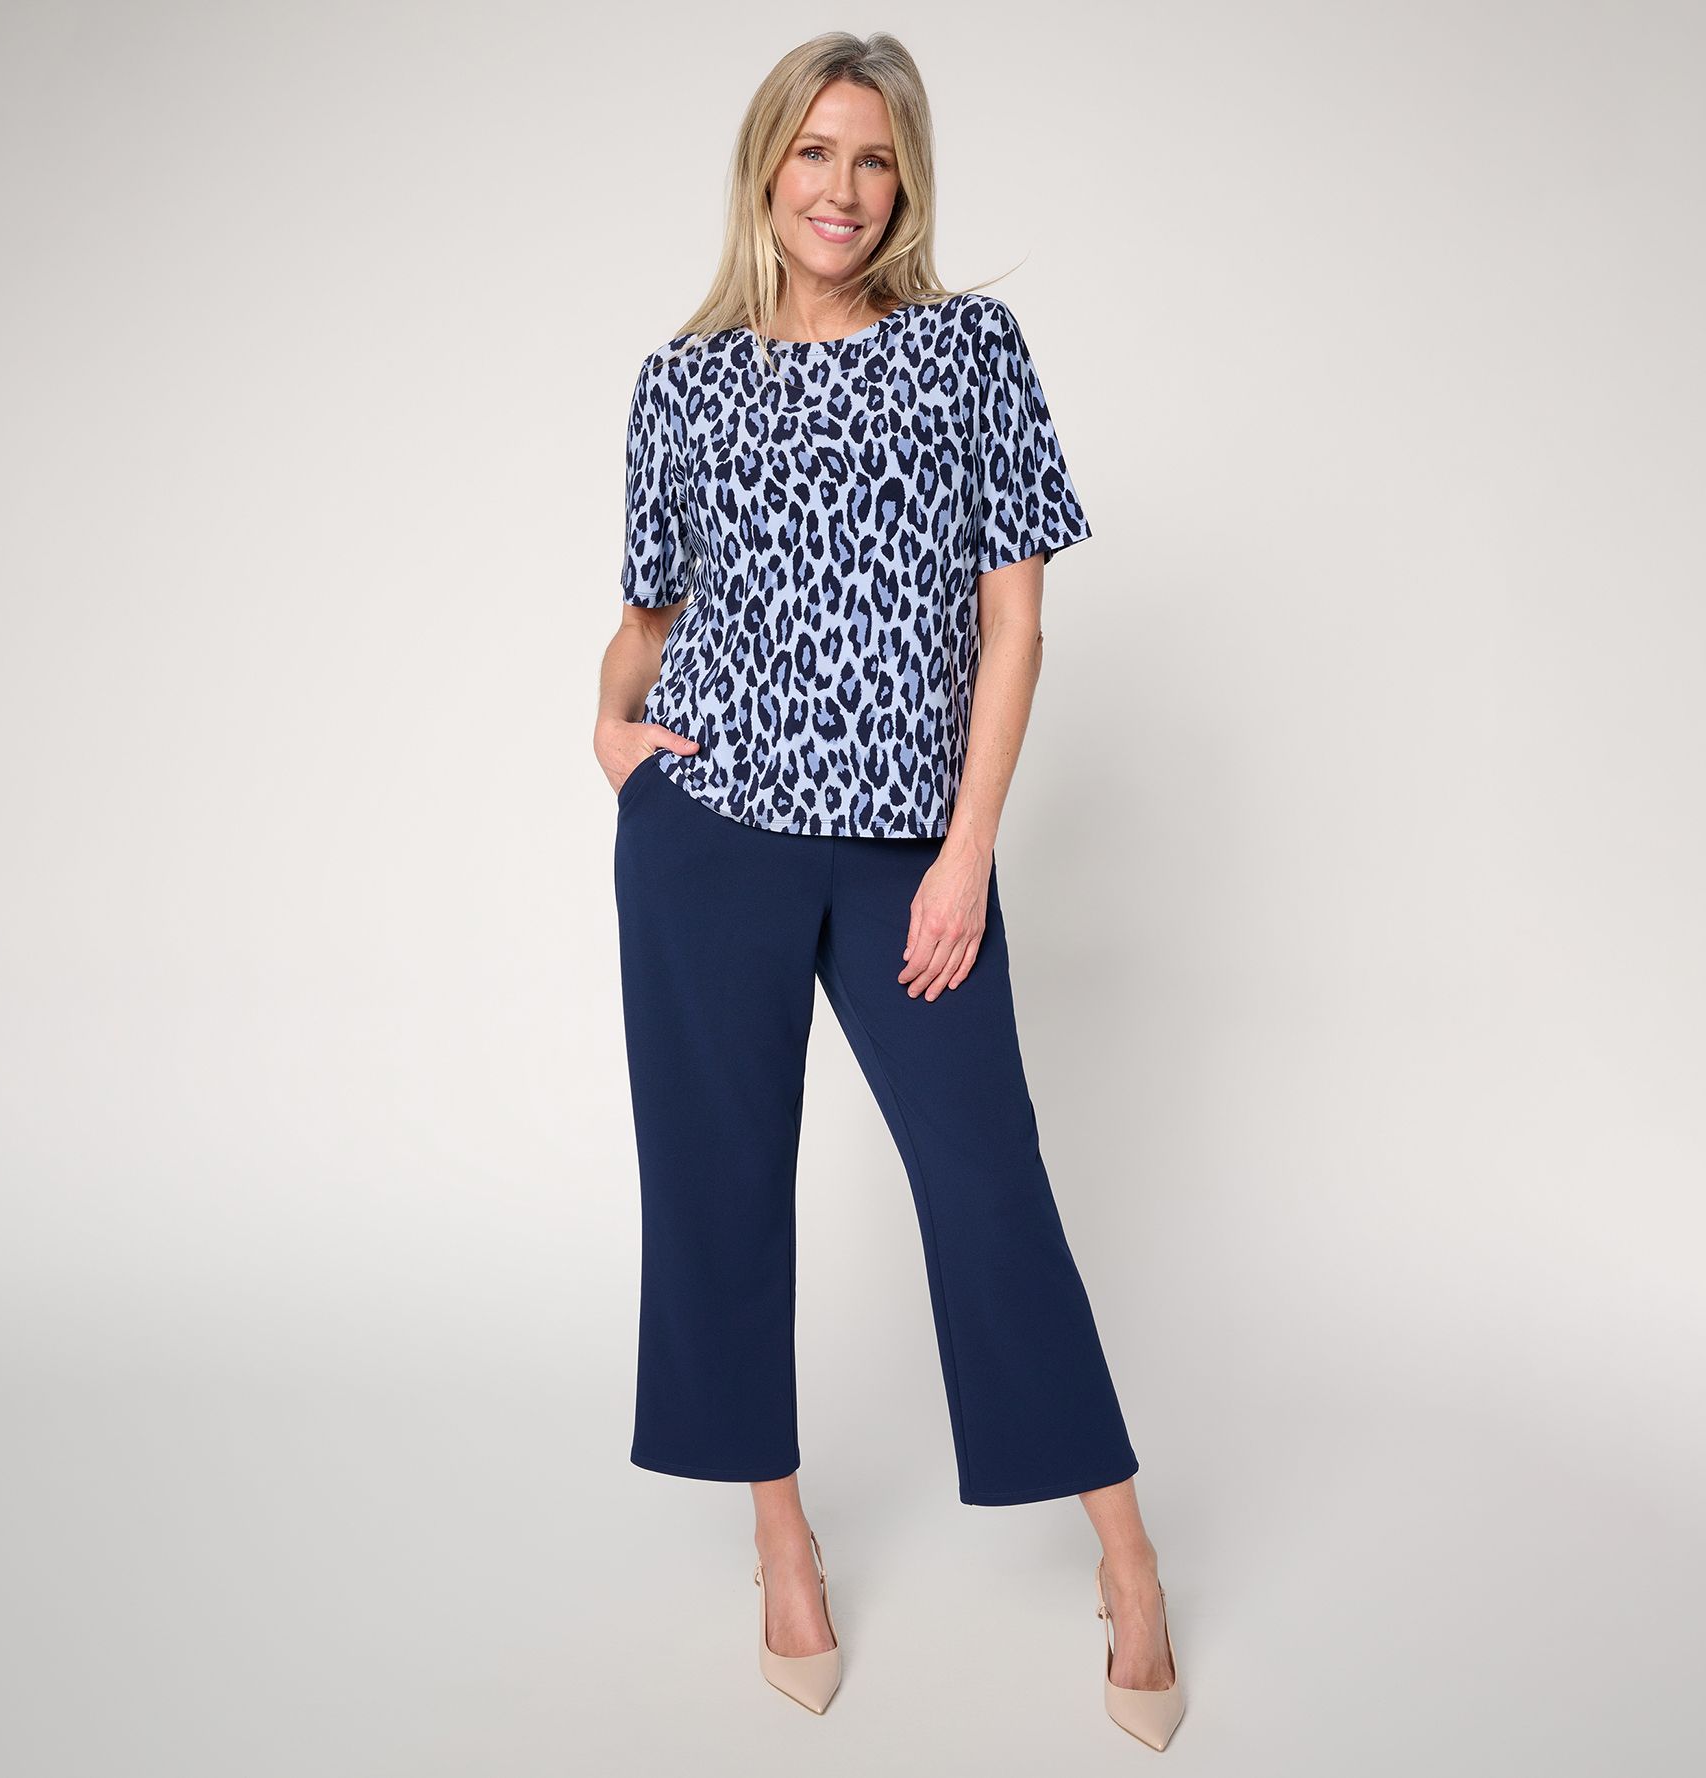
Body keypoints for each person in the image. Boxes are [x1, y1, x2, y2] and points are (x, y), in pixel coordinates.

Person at [592, 30, 1184, 1751]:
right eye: (815, 152)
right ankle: (781, 1541)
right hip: (706, 841)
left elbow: (1016, 619)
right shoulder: (683, 379)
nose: (841, 189)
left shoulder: (966, 353)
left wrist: (968, 845)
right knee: (717, 1191)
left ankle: (1128, 1556)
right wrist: (612, 732)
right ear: (766, 167)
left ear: (904, 181)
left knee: (988, 1187)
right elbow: (647, 609)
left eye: (872, 158)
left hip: (908, 851)